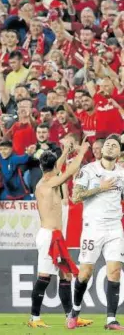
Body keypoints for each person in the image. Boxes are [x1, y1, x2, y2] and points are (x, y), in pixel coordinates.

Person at [28, 141, 93, 328]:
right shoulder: (47, 184)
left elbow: (57, 168)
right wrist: (81, 152)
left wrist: (65, 151)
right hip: (48, 236)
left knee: (66, 276)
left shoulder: (47, 179)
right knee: (44, 277)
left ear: (41, 166)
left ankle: (70, 317)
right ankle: (34, 318)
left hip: (55, 235)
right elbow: (69, 171)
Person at [68, 134, 124, 330]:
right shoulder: (89, 170)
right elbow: (75, 197)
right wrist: (99, 188)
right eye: (107, 144)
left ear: (119, 152)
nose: (109, 148)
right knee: (85, 273)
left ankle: (111, 319)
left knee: (115, 272)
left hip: (115, 227)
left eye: (114, 146)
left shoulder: (122, 173)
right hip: (93, 227)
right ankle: (75, 311)